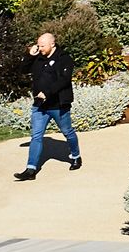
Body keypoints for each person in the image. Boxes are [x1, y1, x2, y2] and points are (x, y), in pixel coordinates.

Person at [15, 32, 80, 181]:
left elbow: (64, 80)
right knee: (36, 136)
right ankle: (30, 170)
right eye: (38, 45)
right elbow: (22, 70)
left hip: (58, 104)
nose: (40, 48)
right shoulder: (38, 57)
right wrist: (29, 55)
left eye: (42, 46)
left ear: (52, 44)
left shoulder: (65, 59)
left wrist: (48, 93)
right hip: (40, 106)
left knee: (67, 132)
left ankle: (76, 156)